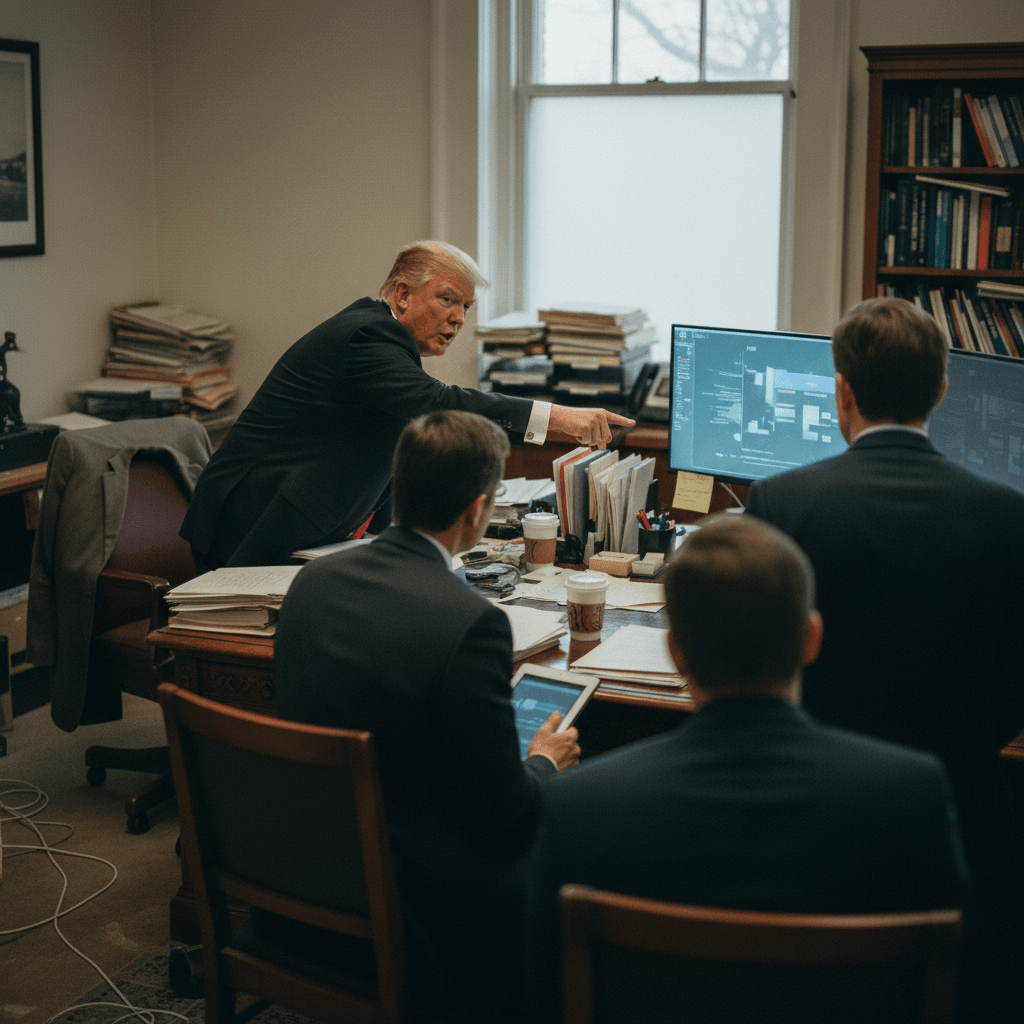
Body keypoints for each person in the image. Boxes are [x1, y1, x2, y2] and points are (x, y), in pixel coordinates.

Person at [523, 514, 971, 1023]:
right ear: (812, 638)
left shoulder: (579, 806)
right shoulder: (912, 797)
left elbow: (543, 998)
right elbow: (958, 992)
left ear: (675, 652)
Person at [744, 296, 1024, 1015]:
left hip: (807, 822)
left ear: (842, 389)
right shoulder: (1008, 517)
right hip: (954, 818)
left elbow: (755, 669)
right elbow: (1013, 693)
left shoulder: (779, 502)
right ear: (941, 389)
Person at [272, 409, 581, 1024]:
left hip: (299, 868)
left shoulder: (311, 580)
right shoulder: (472, 623)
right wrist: (544, 764)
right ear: (477, 510)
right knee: (570, 842)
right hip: (418, 901)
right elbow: (504, 817)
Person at [180, 240, 634, 570]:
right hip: (251, 518)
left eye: (466, 307)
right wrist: (557, 418)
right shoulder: (366, 335)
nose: (457, 317)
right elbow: (435, 404)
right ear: (402, 294)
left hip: (304, 520)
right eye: (447, 299)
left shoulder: (389, 347)